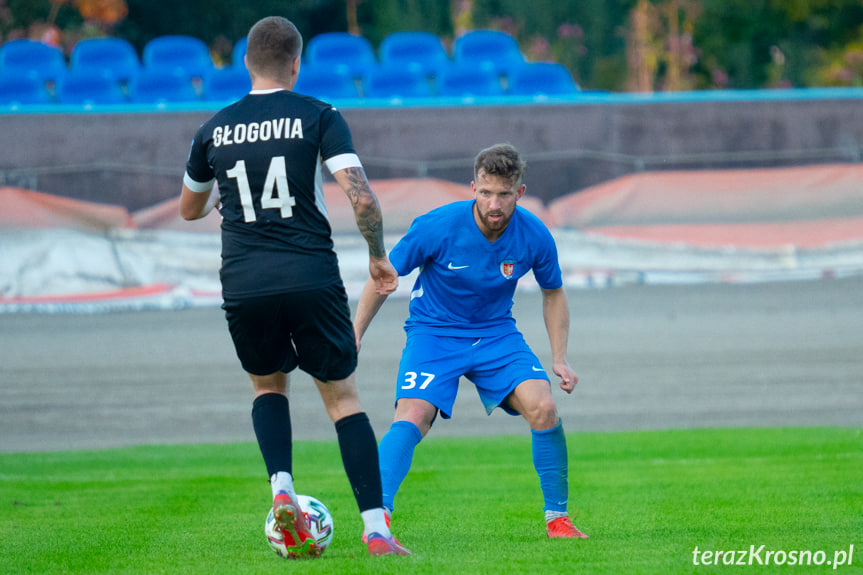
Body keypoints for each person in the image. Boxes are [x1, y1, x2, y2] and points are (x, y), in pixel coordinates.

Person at [179, 16, 409, 558]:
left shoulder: (214, 129)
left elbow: (189, 208)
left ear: (246, 65)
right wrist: (378, 257)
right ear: (297, 63)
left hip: (244, 279)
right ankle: (376, 530)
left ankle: (282, 487)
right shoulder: (319, 115)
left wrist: (222, 197)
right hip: (310, 274)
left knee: (268, 387)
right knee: (343, 399)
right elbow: (362, 198)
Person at [354, 143, 588, 540]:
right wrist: (354, 334)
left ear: (520, 192)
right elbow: (383, 278)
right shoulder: (437, 226)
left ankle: (558, 520)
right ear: (473, 187)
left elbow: (554, 292)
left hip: (496, 334)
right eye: (485, 192)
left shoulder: (534, 235)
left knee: (544, 406)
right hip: (434, 333)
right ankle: (378, 522)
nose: (493, 203)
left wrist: (560, 358)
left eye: (503, 194)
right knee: (412, 415)